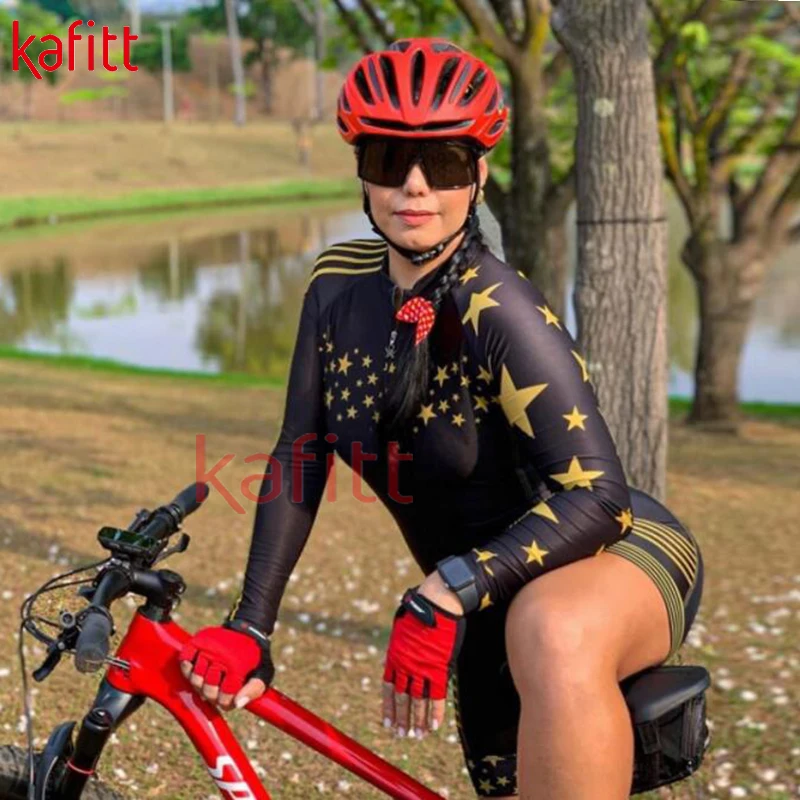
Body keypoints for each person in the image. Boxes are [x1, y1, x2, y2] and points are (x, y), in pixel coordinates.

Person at [179, 37, 705, 799]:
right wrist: (251, 626)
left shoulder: (502, 310)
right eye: (391, 160)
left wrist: (447, 588)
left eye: (446, 163)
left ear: (479, 176)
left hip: (606, 557)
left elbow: (599, 497)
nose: (415, 186)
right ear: (362, 173)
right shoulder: (335, 290)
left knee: (550, 629)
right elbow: (302, 452)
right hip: (481, 595)